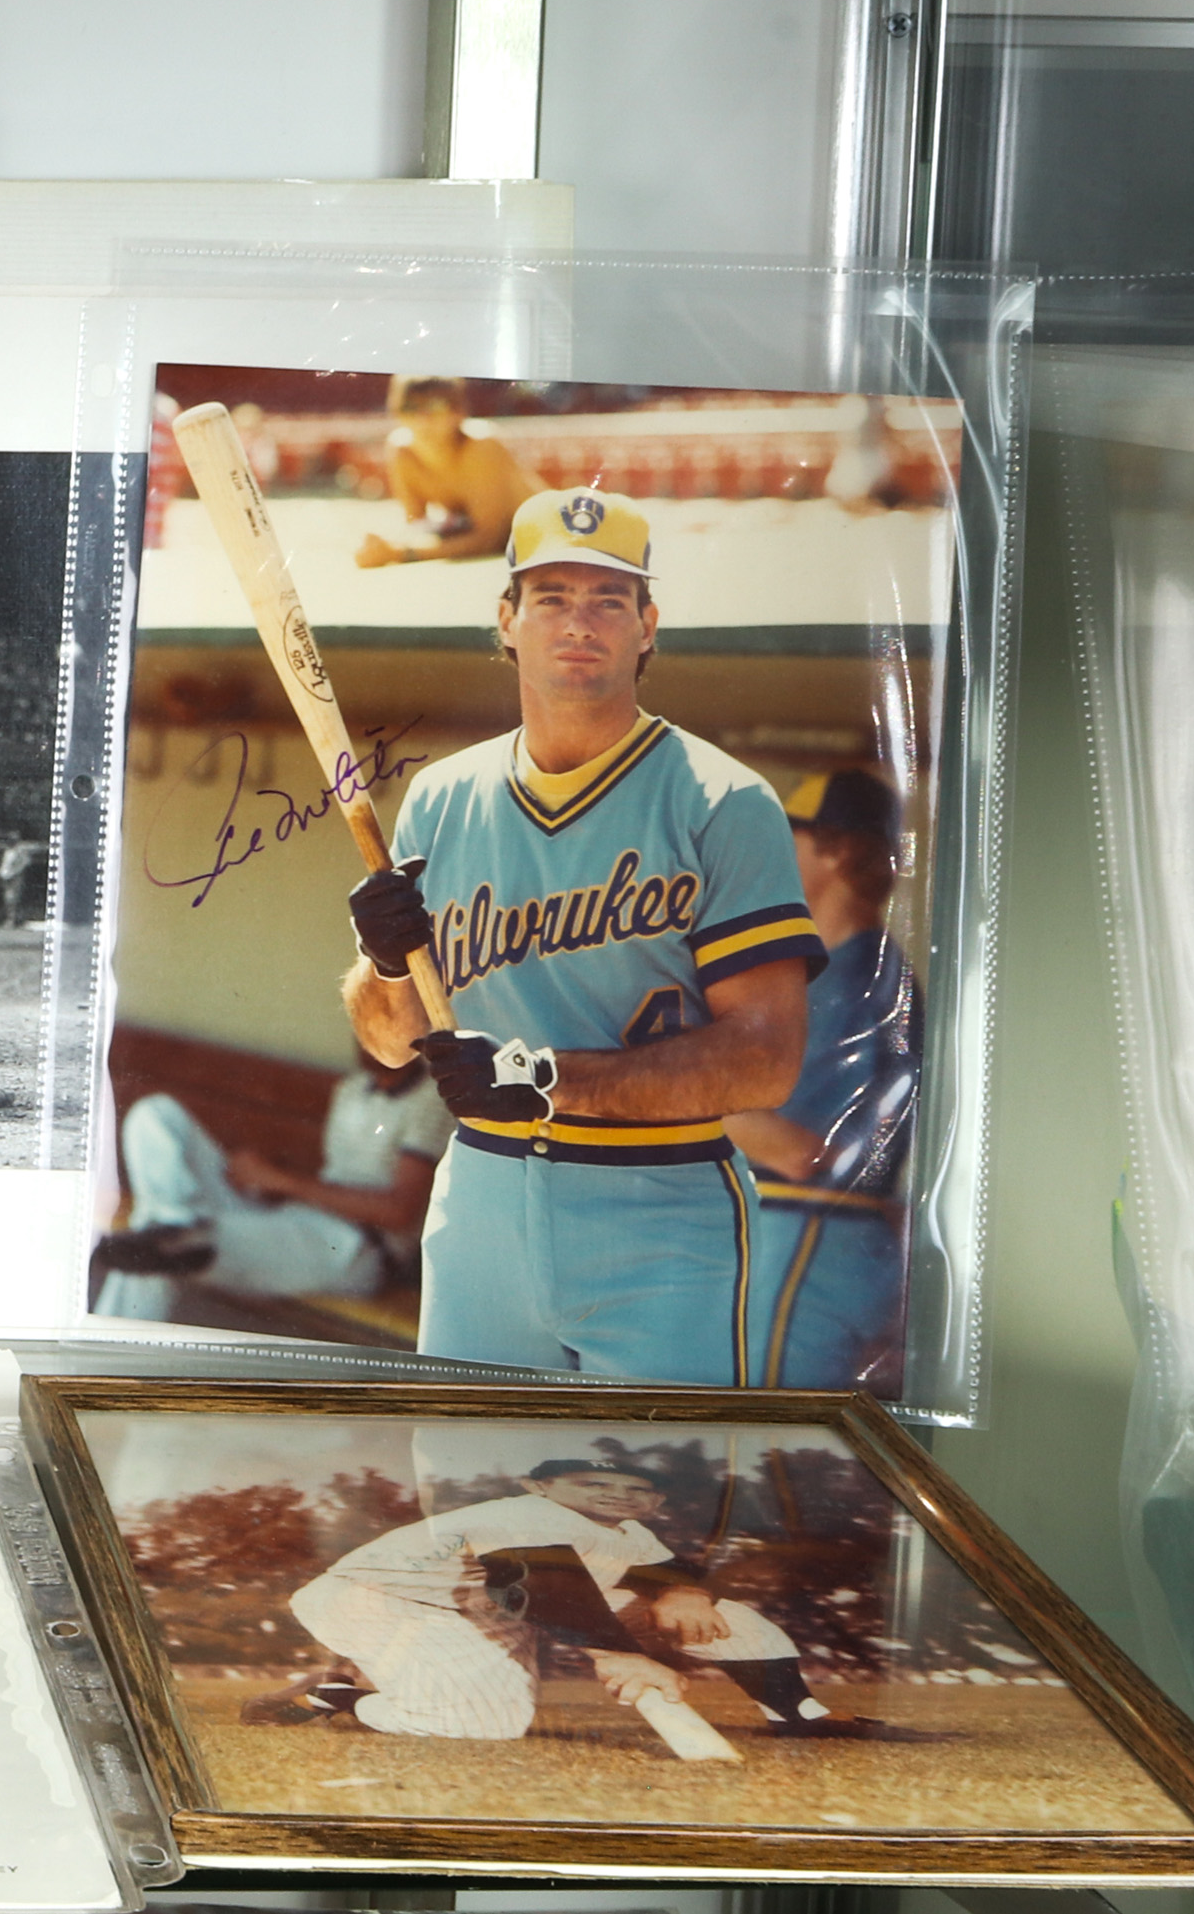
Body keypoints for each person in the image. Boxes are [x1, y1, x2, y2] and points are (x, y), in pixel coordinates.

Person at [341, 487, 823, 1383]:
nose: (580, 621)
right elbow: (390, 1038)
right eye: (552, 597)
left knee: (652, 1510)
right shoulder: (442, 798)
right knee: (468, 1504)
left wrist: (547, 1077)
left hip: (660, 1199)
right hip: (481, 1191)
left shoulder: (723, 800)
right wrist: (379, 964)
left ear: (648, 624)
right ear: (507, 620)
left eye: (608, 599)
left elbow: (766, 1058)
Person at [243, 1457, 879, 1743]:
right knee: (481, 1728)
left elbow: (665, 1571)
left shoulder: (628, 1530)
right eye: (592, 1481)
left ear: (654, 1504)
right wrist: (618, 1655)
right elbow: (543, 1581)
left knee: (718, 1616)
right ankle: (347, 1693)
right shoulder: (522, 1513)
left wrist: (684, 1591)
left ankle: (797, 1712)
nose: (615, 1495)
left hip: (490, 1609)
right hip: (383, 1602)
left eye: (635, 1489)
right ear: (539, 1484)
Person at [727, 768, 921, 1392]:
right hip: (800, 1237)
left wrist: (668, 1095)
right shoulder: (832, 971)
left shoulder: (864, 979)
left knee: (770, 1448)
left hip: (812, 1239)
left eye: (790, 836)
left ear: (838, 849)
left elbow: (809, 1152)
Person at [92, 1051, 451, 1322]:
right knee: (155, 1113)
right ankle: (174, 1224)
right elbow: (332, 1179)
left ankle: (171, 1233)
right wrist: (264, 1182)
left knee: (158, 1251)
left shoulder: (431, 1099)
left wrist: (279, 1180)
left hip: (353, 1249)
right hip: (293, 1220)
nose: (366, 1033)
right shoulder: (352, 1089)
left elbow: (399, 1211)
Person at [354, 374, 547, 569]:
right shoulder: (402, 450)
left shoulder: (480, 445)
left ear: (458, 411)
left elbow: (491, 539)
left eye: (435, 406)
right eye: (410, 408)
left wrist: (399, 552)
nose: (423, 419)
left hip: (551, 530)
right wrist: (381, 546)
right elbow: (417, 525)